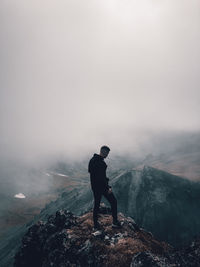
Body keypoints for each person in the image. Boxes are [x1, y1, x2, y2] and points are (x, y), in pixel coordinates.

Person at [88, 145, 122, 230]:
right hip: (102, 187)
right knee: (113, 201)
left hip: (94, 187)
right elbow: (102, 178)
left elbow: (91, 172)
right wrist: (108, 188)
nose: (108, 155)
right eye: (107, 153)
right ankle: (115, 222)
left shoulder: (92, 160)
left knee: (96, 204)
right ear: (105, 152)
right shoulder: (101, 163)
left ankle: (95, 225)